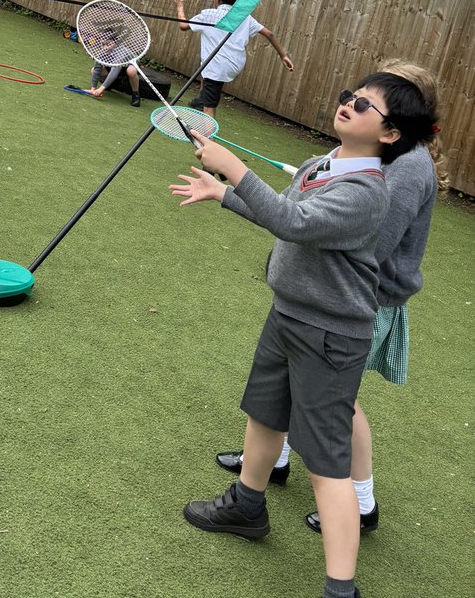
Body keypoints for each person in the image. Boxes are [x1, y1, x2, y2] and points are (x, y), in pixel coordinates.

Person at [169, 73, 439, 598]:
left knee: (326, 465)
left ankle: (341, 588)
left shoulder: (368, 192)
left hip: (331, 335)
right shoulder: (321, 165)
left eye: (363, 105)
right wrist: (224, 192)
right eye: (347, 95)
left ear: (390, 135)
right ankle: (246, 505)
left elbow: (293, 221)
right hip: (288, 315)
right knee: (265, 413)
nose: (347, 105)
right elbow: (284, 215)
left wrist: (237, 171)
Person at [170, 0, 293, 116]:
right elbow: (269, 34)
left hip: (218, 66)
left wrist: (180, 6)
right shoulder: (244, 17)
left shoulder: (208, 14)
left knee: (209, 107)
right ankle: (202, 97)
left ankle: (208, 134)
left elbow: (183, 26)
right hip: (235, 64)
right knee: (205, 66)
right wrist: (283, 56)